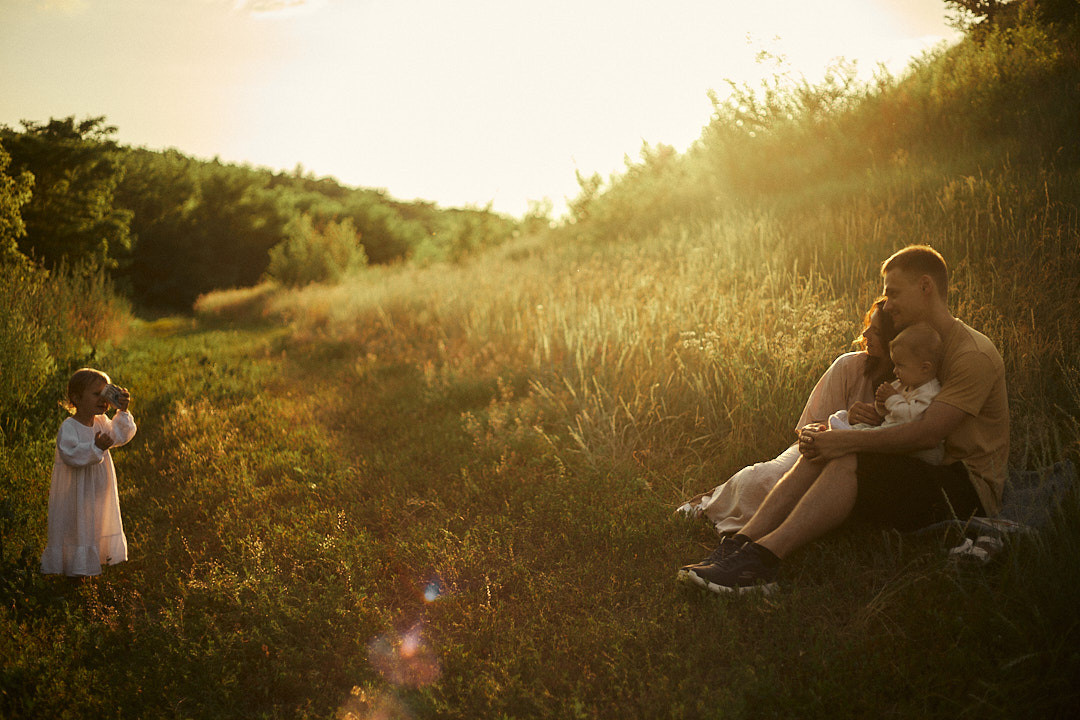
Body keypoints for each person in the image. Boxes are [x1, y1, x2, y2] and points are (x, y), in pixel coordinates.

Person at [680, 245, 1008, 594]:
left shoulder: (971, 353)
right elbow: (907, 414)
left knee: (844, 455)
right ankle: (740, 543)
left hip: (965, 487)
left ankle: (763, 560)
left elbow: (926, 434)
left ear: (925, 286)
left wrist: (845, 439)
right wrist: (855, 423)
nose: (888, 304)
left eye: (893, 293)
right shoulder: (922, 346)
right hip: (923, 466)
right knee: (821, 448)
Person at [678, 298, 897, 537]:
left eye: (876, 331)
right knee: (763, 480)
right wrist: (846, 419)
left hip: (852, 464)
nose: (865, 334)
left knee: (808, 498)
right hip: (817, 445)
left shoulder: (909, 381)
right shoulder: (848, 366)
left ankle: (752, 524)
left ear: (893, 338)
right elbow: (809, 427)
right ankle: (710, 501)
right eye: (868, 325)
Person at [40, 368, 137, 577]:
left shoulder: (101, 422)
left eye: (105, 394)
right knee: (77, 526)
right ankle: (75, 571)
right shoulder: (70, 427)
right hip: (77, 490)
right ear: (76, 398)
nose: (103, 400)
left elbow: (120, 435)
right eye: (96, 394)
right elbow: (70, 454)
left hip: (97, 489)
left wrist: (122, 411)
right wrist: (95, 448)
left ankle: (92, 566)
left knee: (95, 522)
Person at [828, 321, 944, 465]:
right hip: (892, 431)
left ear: (925, 368)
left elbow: (910, 418)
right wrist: (881, 404)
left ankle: (844, 435)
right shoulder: (905, 384)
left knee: (868, 435)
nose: (895, 371)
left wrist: (891, 399)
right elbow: (889, 411)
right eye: (894, 365)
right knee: (864, 428)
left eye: (900, 366)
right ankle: (843, 429)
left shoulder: (929, 392)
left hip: (915, 448)